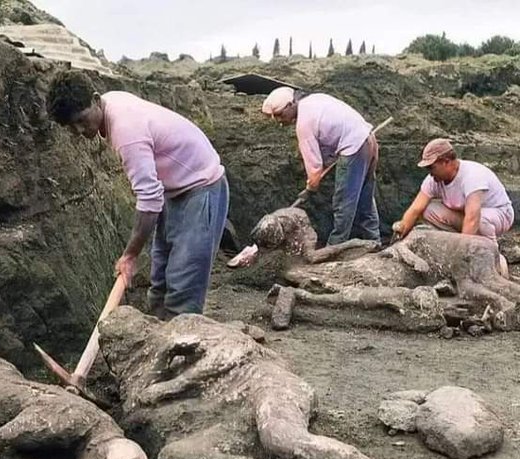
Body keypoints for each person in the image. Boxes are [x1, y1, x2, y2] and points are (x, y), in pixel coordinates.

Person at [46, 71, 229, 319]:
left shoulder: (125, 131)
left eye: (81, 119)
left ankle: (182, 338)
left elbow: (150, 199)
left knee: (182, 290)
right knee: (160, 283)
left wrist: (130, 255)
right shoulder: (110, 101)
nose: (79, 130)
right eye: (71, 126)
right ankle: (158, 334)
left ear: (95, 99)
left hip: (201, 188)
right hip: (175, 189)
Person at [261, 87, 381, 246]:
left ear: (291, 105)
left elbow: (315, 169)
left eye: (280, 115)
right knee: (365, 199)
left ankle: (335, 247)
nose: (279, 121)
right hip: (368, 139)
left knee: (343, 204)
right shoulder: (315, 100)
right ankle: (374, 242)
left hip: (353, 148)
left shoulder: (304, 123)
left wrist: (311, 186)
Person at [393, 138, 514, 245]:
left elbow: (472, 217)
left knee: (480, 219)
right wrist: (402, 229)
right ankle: (453, 242)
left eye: (432, 167)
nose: (430, 172)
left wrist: (461, 251)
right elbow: (416, 209)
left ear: (446, 162)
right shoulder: (433, 180)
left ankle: (490, 248)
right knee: (428, 210)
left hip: (498, 214)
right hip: (466, 215)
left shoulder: (472, 176)